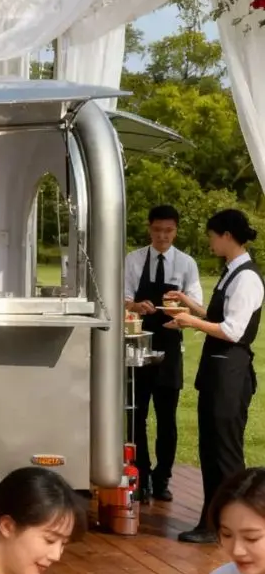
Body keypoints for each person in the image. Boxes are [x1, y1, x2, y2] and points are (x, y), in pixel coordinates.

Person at [164, 209, 264, 544]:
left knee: (225, 452)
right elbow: (217, 314)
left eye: (211, 235)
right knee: (210, 448)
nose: (209, 242)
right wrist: (187, 304)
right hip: (216, 373)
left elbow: (233, 330)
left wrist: (189, 323)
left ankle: (237, 525)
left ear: (226, 236)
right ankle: (213, 522)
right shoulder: (231, 272)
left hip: (230, 374)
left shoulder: (247, 278)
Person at [124, 205, 203, 502]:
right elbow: (123, 296)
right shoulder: (133, 259)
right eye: (157, 230)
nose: (162, 236)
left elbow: (197, 304)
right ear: (149, 228)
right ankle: (140, 476)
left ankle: (163, 479)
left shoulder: (186, 263)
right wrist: (134, 306)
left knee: (167, 418)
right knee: (137, 415)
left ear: (176, 231)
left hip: (170, 344)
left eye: (168, 231)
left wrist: (180, 307)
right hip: (138, 341)